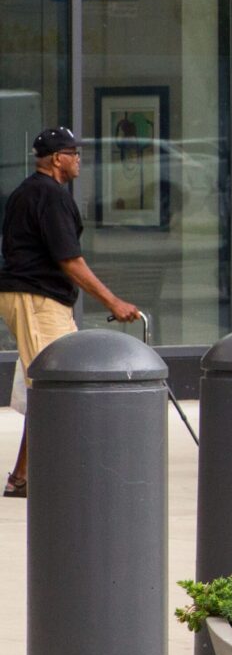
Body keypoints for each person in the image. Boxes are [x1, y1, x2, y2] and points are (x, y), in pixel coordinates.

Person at [2, 128, 142, 498]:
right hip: (36, 297)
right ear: (56, 159)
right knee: (55, 385)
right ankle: (50, 475)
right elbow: (70, 260)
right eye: (73, 153)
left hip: (39, 298)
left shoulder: (32, 191)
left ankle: (24, 476)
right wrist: (113, 302)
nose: (79, 159)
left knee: (49, 384)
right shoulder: (48, 195)